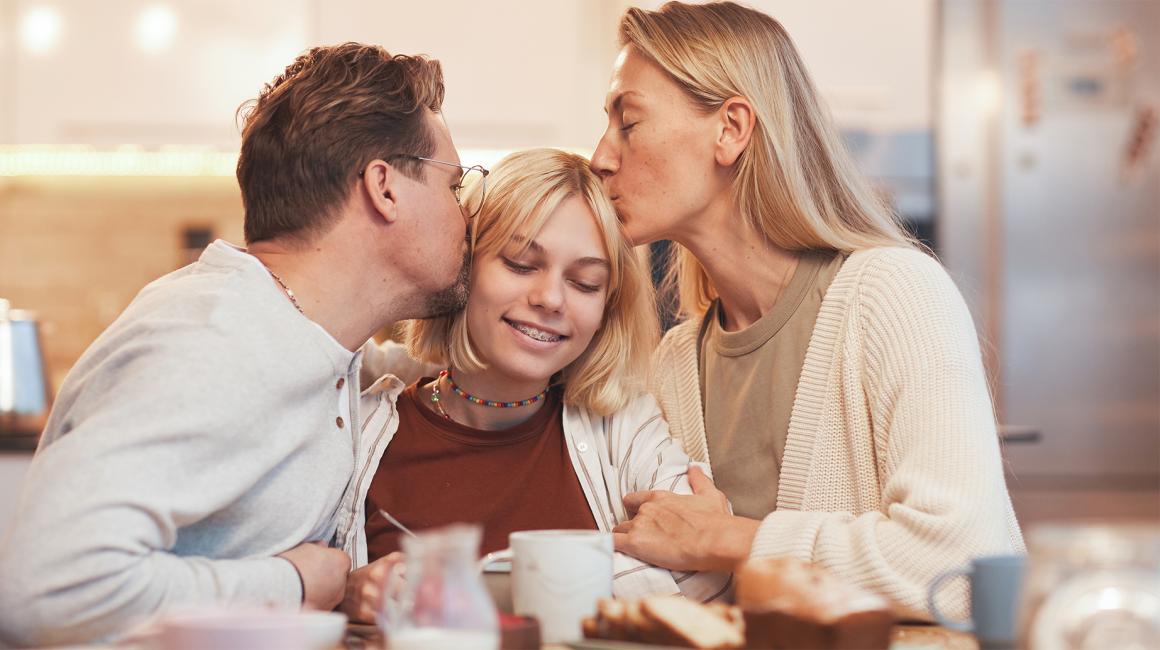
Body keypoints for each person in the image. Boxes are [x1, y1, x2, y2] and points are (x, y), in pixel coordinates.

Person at [0, 43, 475, 646]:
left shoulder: (308, 336)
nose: (466, 216)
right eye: (453, 186)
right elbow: (45, 590)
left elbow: (407, 374)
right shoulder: (211, 344)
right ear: (385, 188)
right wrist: (293, 585)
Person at [590, 1, 1025, 620]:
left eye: (628, 122)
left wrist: (730, 539)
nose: (601, 156)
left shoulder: (896, 294)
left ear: (730, 129)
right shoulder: (674, 362)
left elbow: (959, 567)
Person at [338, 148, 732, 624]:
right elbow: (283, 579)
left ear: (606, 310)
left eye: (585, 283)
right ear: (462, 266)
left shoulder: (625, 427)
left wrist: (471, 592)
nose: (550, 299)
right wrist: (342, 593)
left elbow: (707, 574)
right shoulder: (357, 432)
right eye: (521, 264)